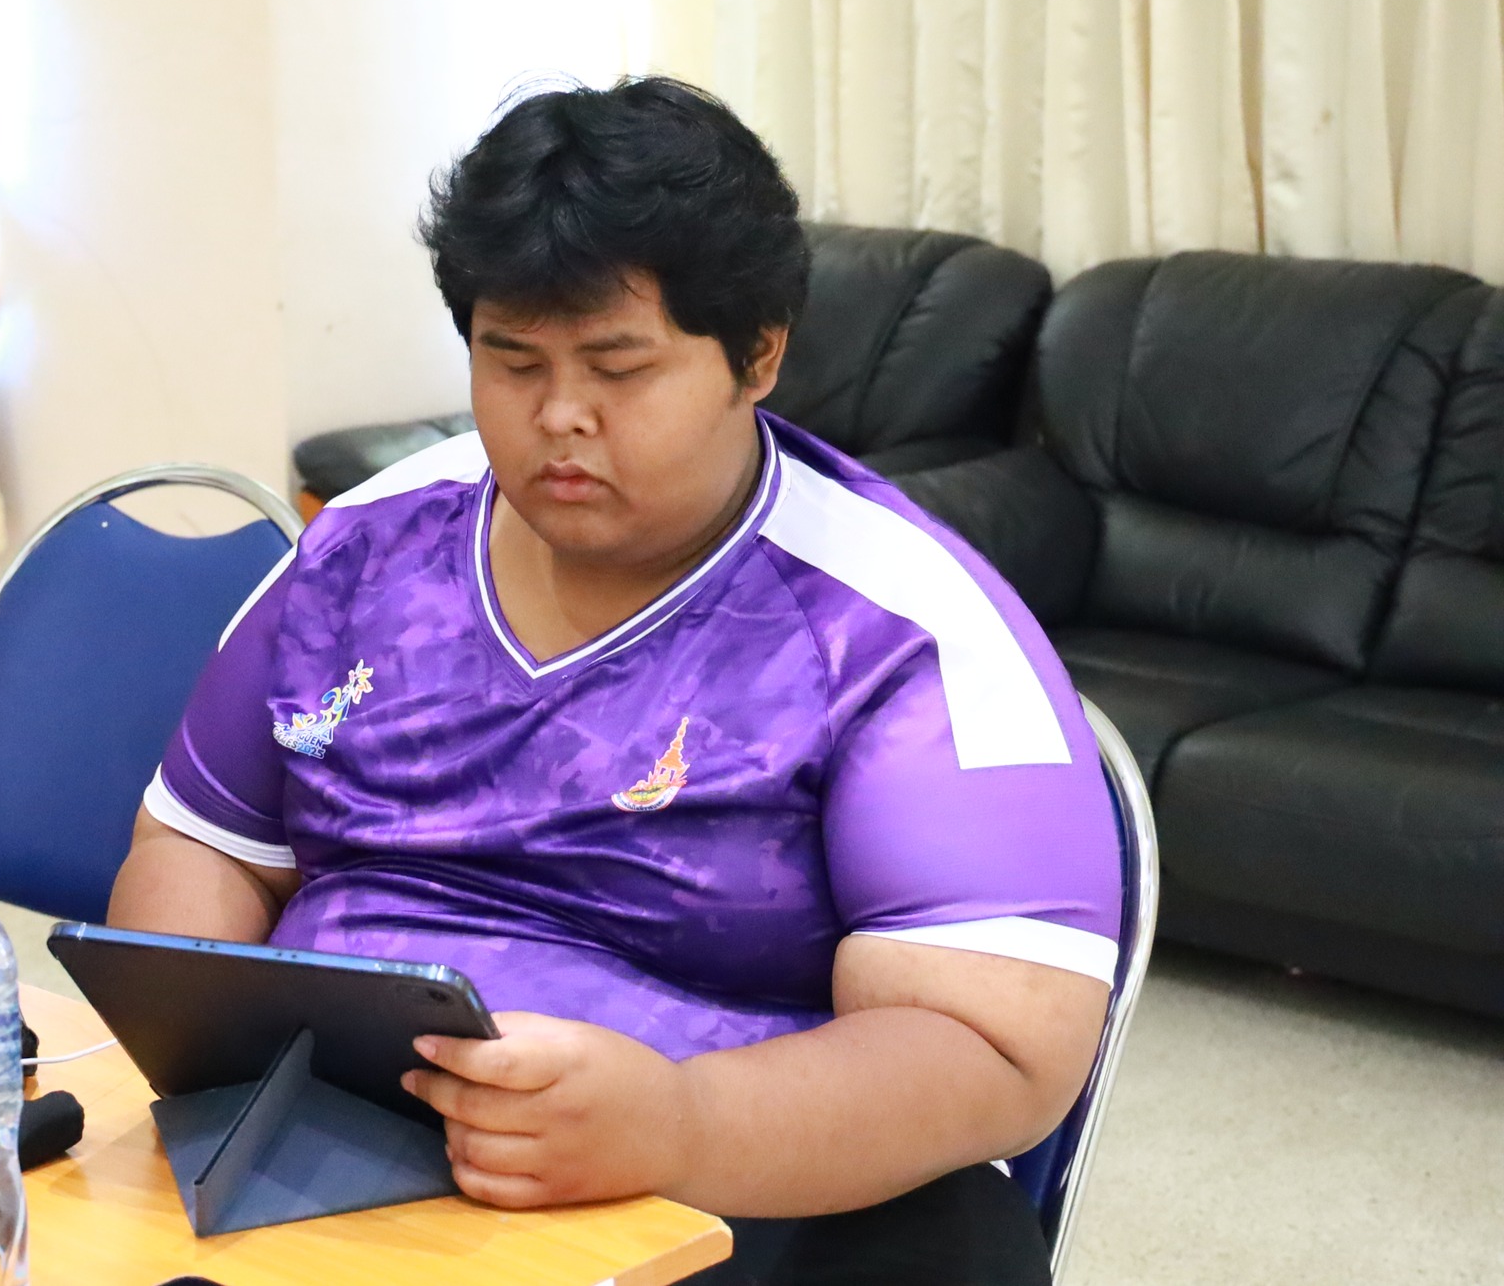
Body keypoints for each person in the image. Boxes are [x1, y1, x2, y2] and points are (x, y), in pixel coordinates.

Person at [108, 76, 1120, 1285]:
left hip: (721, 1191)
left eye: (617, 366)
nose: (559, 418)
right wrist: (207, 1085)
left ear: (757, 354)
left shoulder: (900, 634)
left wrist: (681, 1125)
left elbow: (996, 1051)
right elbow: (202, 850)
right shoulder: (360, 554)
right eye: (511, 362)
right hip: (329, 1156)